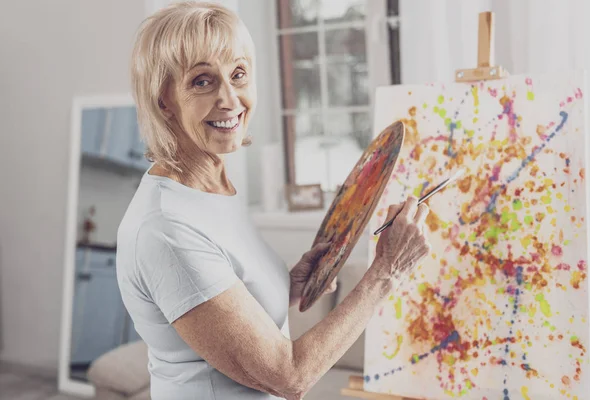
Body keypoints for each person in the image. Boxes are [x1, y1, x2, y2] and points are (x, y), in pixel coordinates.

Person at [116, 2, 431, 399]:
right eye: (202, 81)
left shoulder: (213, 188)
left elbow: (227, 303)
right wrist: (387, 272)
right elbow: (288, 376)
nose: (230, 99)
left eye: (239, 74)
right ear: (163, 100)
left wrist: (291, 284)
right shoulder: (165, 229)